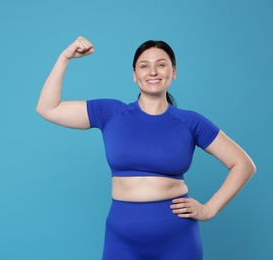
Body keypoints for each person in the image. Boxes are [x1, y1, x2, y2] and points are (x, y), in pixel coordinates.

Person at [35, 36, 256, 260]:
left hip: (177, 238)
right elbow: (47, 108)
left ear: (174, 71)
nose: (153, 72)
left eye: (161, 64)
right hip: (121, 240)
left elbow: (243, 164)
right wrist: (65, 58)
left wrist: (209, 209)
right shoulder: (111, 113)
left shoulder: (190, 122)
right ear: (134, 74)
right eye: (144, 66)